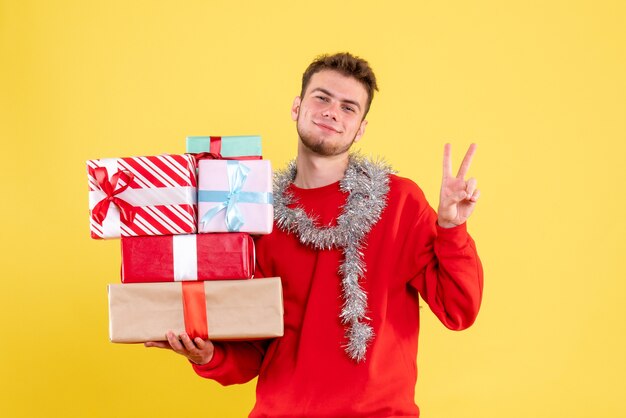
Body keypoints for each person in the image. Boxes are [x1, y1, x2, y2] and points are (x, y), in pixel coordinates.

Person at [146, 52, 484, 417]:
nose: (332, 112)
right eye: (321, 97)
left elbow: (459, 309)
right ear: (297, 107)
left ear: (361, 128)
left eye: (348, 107)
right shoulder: (249, 212)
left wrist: (451, 229)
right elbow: (253, 349)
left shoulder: (400, 201)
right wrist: (209, 355)